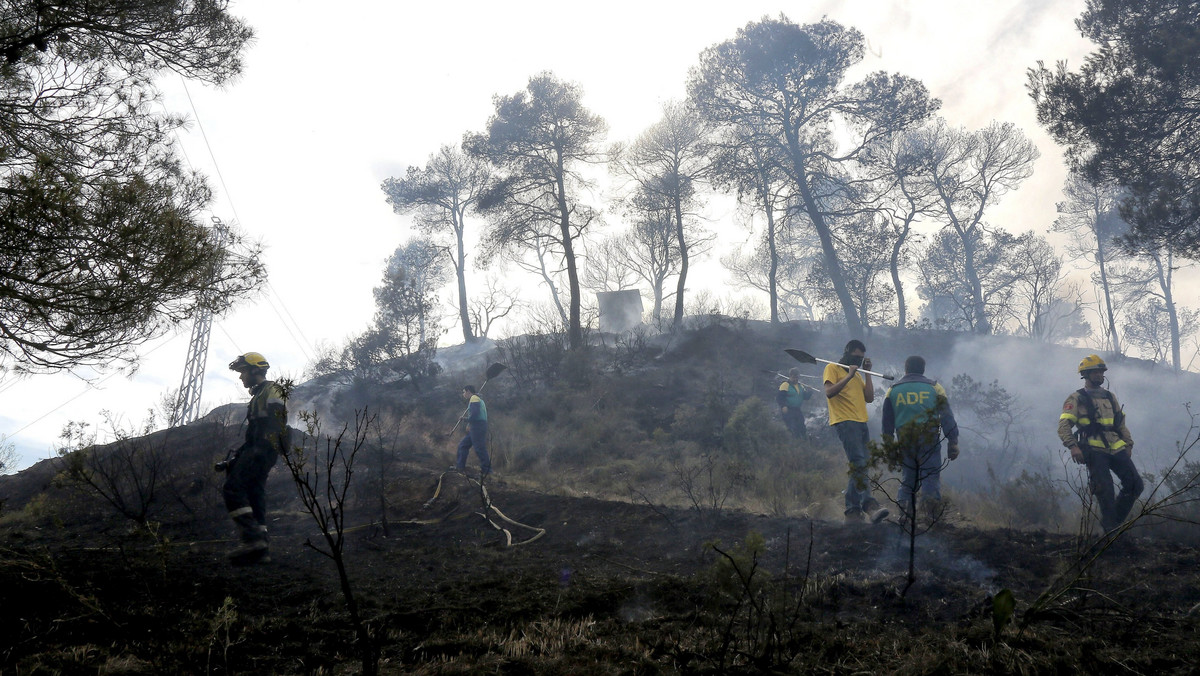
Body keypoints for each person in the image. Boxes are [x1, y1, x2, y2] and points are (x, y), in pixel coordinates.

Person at [1058, 354, 1144, 534]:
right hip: (1094, 450)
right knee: (1105, 490)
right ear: (1086, 374)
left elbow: (1120, 423)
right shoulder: (1076, 398)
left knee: (1135, 484)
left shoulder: (1110, 397)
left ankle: (1112, 523)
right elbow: (1064, 425)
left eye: (1101, 372)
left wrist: (1128, 444)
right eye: (1096, 372)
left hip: (1116, 448)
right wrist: (1073, 447)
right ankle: (1111, 532)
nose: (1100, 375)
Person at [220, 352, 288, 566]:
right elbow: (253, 435)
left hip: (263, 449)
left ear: (256, 370)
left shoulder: (272, 389)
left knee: (232, 489)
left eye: (243, 372)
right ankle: (261, 550)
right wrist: (237, 458)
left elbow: (277, 421)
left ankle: (252, 540)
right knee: (254, 494)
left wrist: (261, 449)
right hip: (260, 449)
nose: (240, 377)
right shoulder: (258, 395)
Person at [881, 356, 960, 522]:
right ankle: (930, 517)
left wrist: (889, 446)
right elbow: (947, 417)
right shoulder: (935, 387)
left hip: (904, 439)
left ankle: (905, 515)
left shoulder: (893, 390)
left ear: (906, 369)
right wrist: (953, 442)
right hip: (928, 438)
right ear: (923, 369)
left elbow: (887, 423)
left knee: (908, 477)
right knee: (930, 475)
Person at [824, 339, 889, 524]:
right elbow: (829, 392)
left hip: (862, 423)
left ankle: (852, 512)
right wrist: (849, 376)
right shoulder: (832, 368)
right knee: (859, 463)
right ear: (847, 352)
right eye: (856, 356)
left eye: (861, 358)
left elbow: (869, 398)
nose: (859, 360)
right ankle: (869, 505)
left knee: (861, 466)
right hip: (845, 422)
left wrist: (867, 373)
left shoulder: (859, 375)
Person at [456, 384, 491, 479]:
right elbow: (475, 415)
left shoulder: (474, 399)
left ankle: (486, 470)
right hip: (477, 426)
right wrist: (469, 423)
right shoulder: (477, 399)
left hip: (478, 426)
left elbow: (475, 415)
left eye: (463, 392)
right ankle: (460, 467)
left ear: (468, 391)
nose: (463, 394)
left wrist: (466, 419)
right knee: (463, 445)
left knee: (480, 448)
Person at [777, 367, 815, 439]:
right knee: (792, 428)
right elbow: (779, 398)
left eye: (797, 377)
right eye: (794, 377)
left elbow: (806, 397)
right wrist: (783, 406)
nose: (795, 379)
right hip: (788, 410)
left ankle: (803, 443)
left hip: (797, 410)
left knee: (802, 427)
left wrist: (810, 391)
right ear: (790, 376)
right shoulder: (785, 385)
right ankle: (793, 444)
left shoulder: (801, 386)